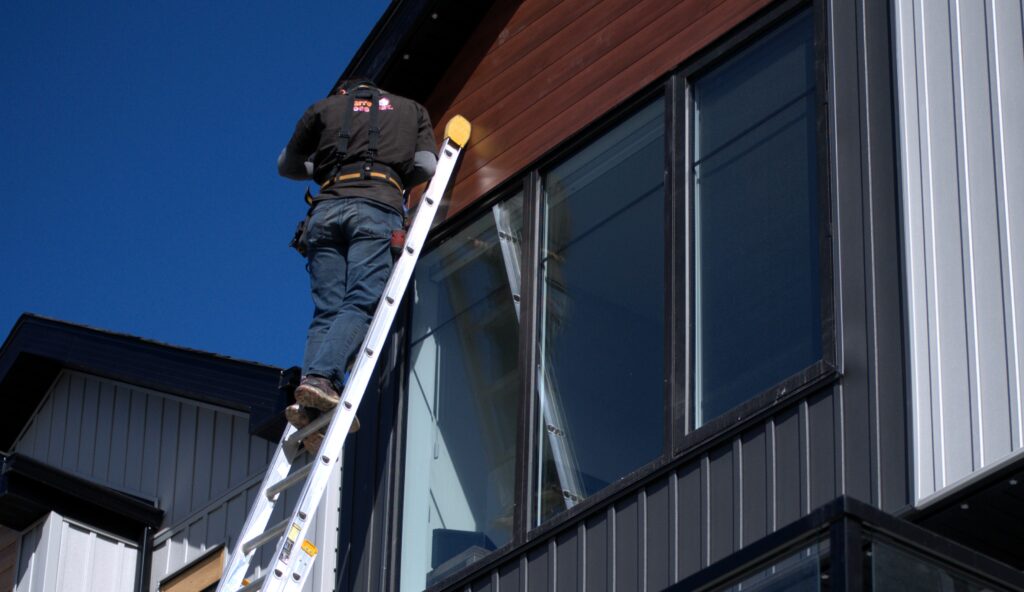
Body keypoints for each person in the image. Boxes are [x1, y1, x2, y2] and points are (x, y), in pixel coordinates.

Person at [278, 79, 437, 452]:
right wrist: (392, 175)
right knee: (361, 302)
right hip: (376, 208)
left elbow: (287, 165)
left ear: (343, 94)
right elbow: (427, 164)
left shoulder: (323, 108)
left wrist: (324, 164)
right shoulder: (411, 108)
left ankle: (310, 405)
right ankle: (321, 381)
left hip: (326, 213)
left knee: (326, 313)